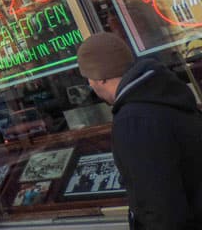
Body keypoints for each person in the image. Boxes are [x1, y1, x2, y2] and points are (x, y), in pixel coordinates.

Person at [76, 32, 202, 229]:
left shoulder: (133, 120)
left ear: (99, 78)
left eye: (88, 78)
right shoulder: (162, 94)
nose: (90, 84)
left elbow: (159, 206)